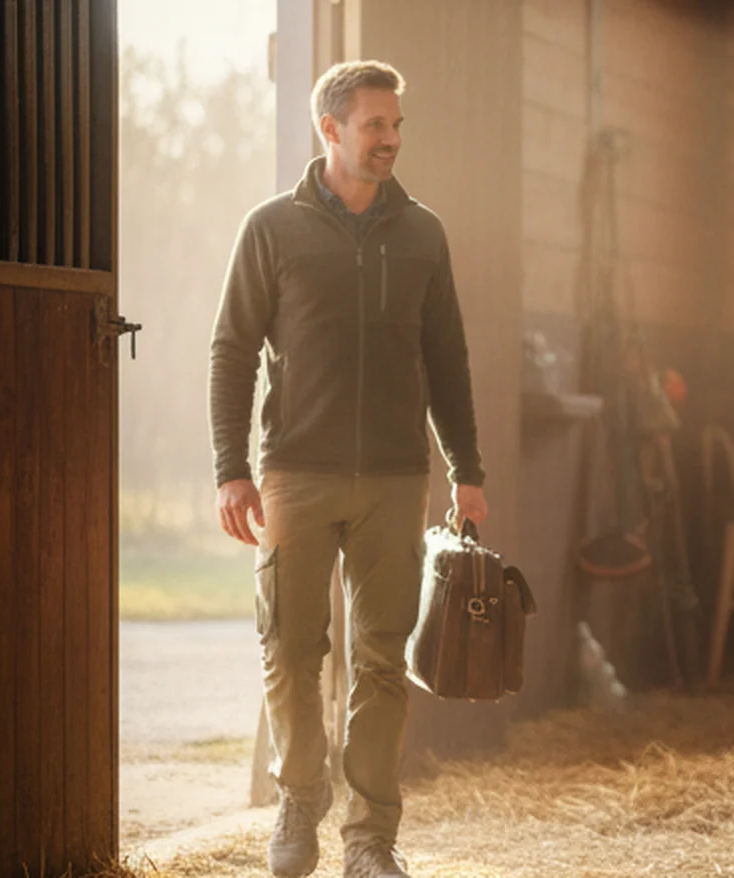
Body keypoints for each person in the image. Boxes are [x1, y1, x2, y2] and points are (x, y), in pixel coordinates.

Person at [209, 59, 487, 878]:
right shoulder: (271, 229)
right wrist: (232, 467)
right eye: (376, 125)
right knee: (293, 647)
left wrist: (466, 467)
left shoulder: (424, 233)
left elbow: (449, 358)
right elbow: (230, 352)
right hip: (296, 472)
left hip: (398, 480)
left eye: (396, 125)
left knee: (382, 657)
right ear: (330, 130)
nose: (391, 139)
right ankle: (299, 803)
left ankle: (370, 840)